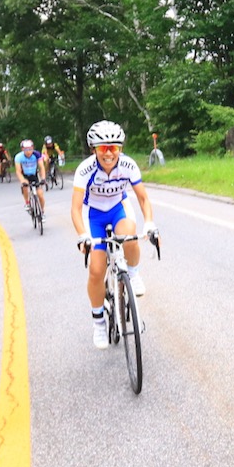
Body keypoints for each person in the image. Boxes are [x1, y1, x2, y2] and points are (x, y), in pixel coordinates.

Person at [71, 120, 159, 350]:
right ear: (94, 149)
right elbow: (75, 208)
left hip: (119, 209)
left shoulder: (128, 166)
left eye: (114, 148)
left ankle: (133, 274)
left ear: (120, 148)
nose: (109, 153)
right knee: (97, 270)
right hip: (95, 217)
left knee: (129, 235)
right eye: (103, 148)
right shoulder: (85, 170)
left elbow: (142, 198)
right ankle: (99, 322)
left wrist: (149, 223)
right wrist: (83, 235)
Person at [15, 139, 47, 216]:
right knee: (25, 186)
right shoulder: (19, 157)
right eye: (26, 149)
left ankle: (42, 212)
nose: (28, 151)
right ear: (22, 149)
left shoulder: (36, 154)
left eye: (30, 149)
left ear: (33, 148)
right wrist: (22, 180)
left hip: (34, 175)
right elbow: (18, 171)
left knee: (40, 196)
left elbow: (42, 167)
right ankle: (27, 203)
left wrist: (43, 178)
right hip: (25, 175)